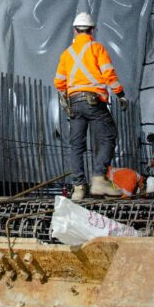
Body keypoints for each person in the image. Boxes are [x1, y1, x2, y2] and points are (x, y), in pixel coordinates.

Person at [54, 11, 128, 200]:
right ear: (92, 30)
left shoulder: (66, 54)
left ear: (74, 30)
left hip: (75, 103)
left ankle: (78, 187)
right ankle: (98, 179)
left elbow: (59, 82)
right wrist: (120, 94)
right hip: (94, 102)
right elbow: (108, 74)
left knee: (77, 145)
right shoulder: (97, 48)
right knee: (109, 135)